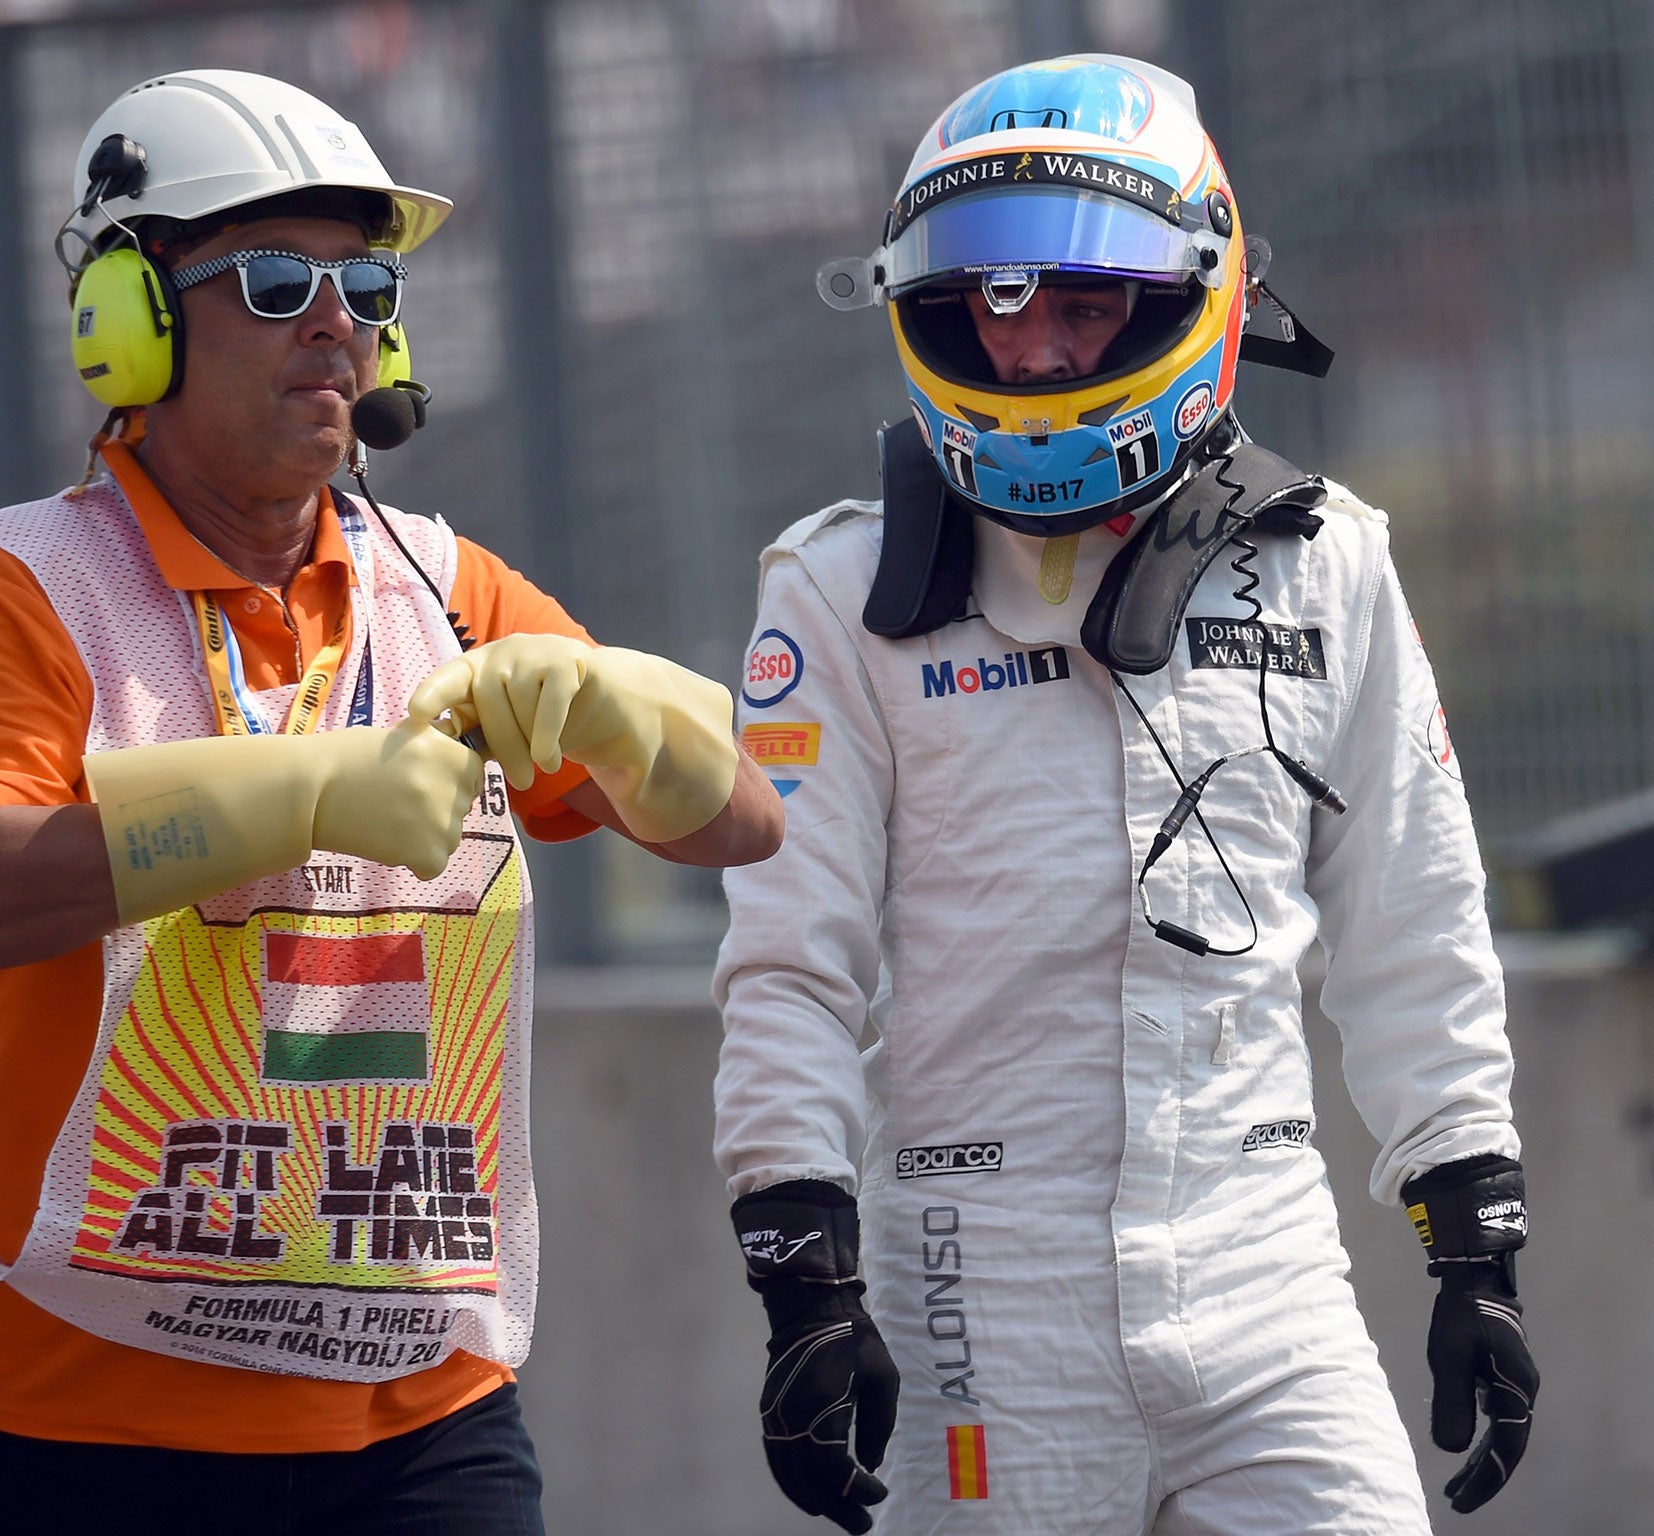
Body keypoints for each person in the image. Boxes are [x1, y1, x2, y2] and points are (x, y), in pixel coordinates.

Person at [713, 53, 1536, 1536]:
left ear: (1193, 300)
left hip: (1267, 1266)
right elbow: (790, 963)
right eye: (990, 309)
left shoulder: (1328, 557)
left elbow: (1414, 911)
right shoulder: (835, 590)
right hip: (978, 1280)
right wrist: (801, 1271)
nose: (1027, 358)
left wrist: (1475, 1233)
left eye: (1082, 306)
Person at [0, 68, 780, 1535]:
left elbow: (743, 826)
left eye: (366, 284)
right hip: (84, 1415)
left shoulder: (446, 586)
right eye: (278, 279)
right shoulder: (30, 591)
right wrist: (293, 790)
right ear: (132, 321)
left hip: (422, 1415)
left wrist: (632, 732)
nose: (338, 322)